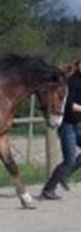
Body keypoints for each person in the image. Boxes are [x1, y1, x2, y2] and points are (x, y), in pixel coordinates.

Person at [41, 58, 81, 200]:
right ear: (78, 65)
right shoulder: (70, 82)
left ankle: (65, 175)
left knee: (69, 163)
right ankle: (48, 189)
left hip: (76, 125)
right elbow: (69, 104)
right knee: (69, 161)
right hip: (66, 126)